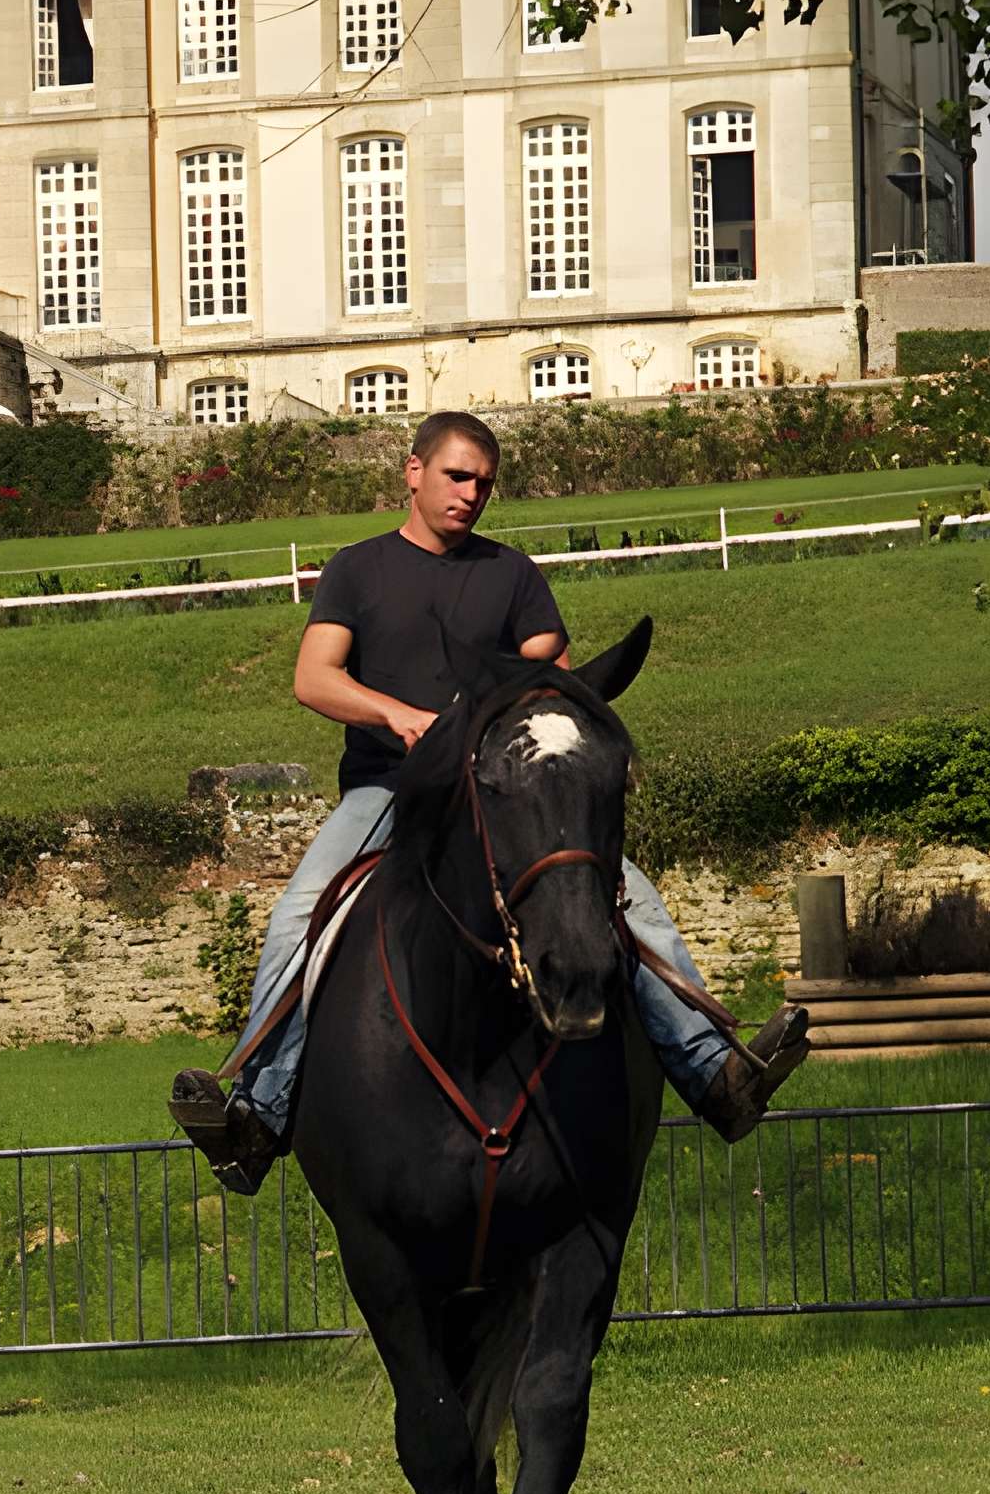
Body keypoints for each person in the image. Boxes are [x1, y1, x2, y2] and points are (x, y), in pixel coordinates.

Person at [169, 411, 802, 1192]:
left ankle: (716, 1079)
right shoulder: (357, 571)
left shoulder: (511, 574)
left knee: (627, 896)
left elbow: (554, 680)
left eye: (484, 483)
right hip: (388, 790)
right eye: (456, 476)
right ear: (413, 472)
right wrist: (397, 716)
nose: (471, 494)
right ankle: (257, 1118)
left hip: (503, 793)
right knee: (301, 912)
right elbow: (314, 678)